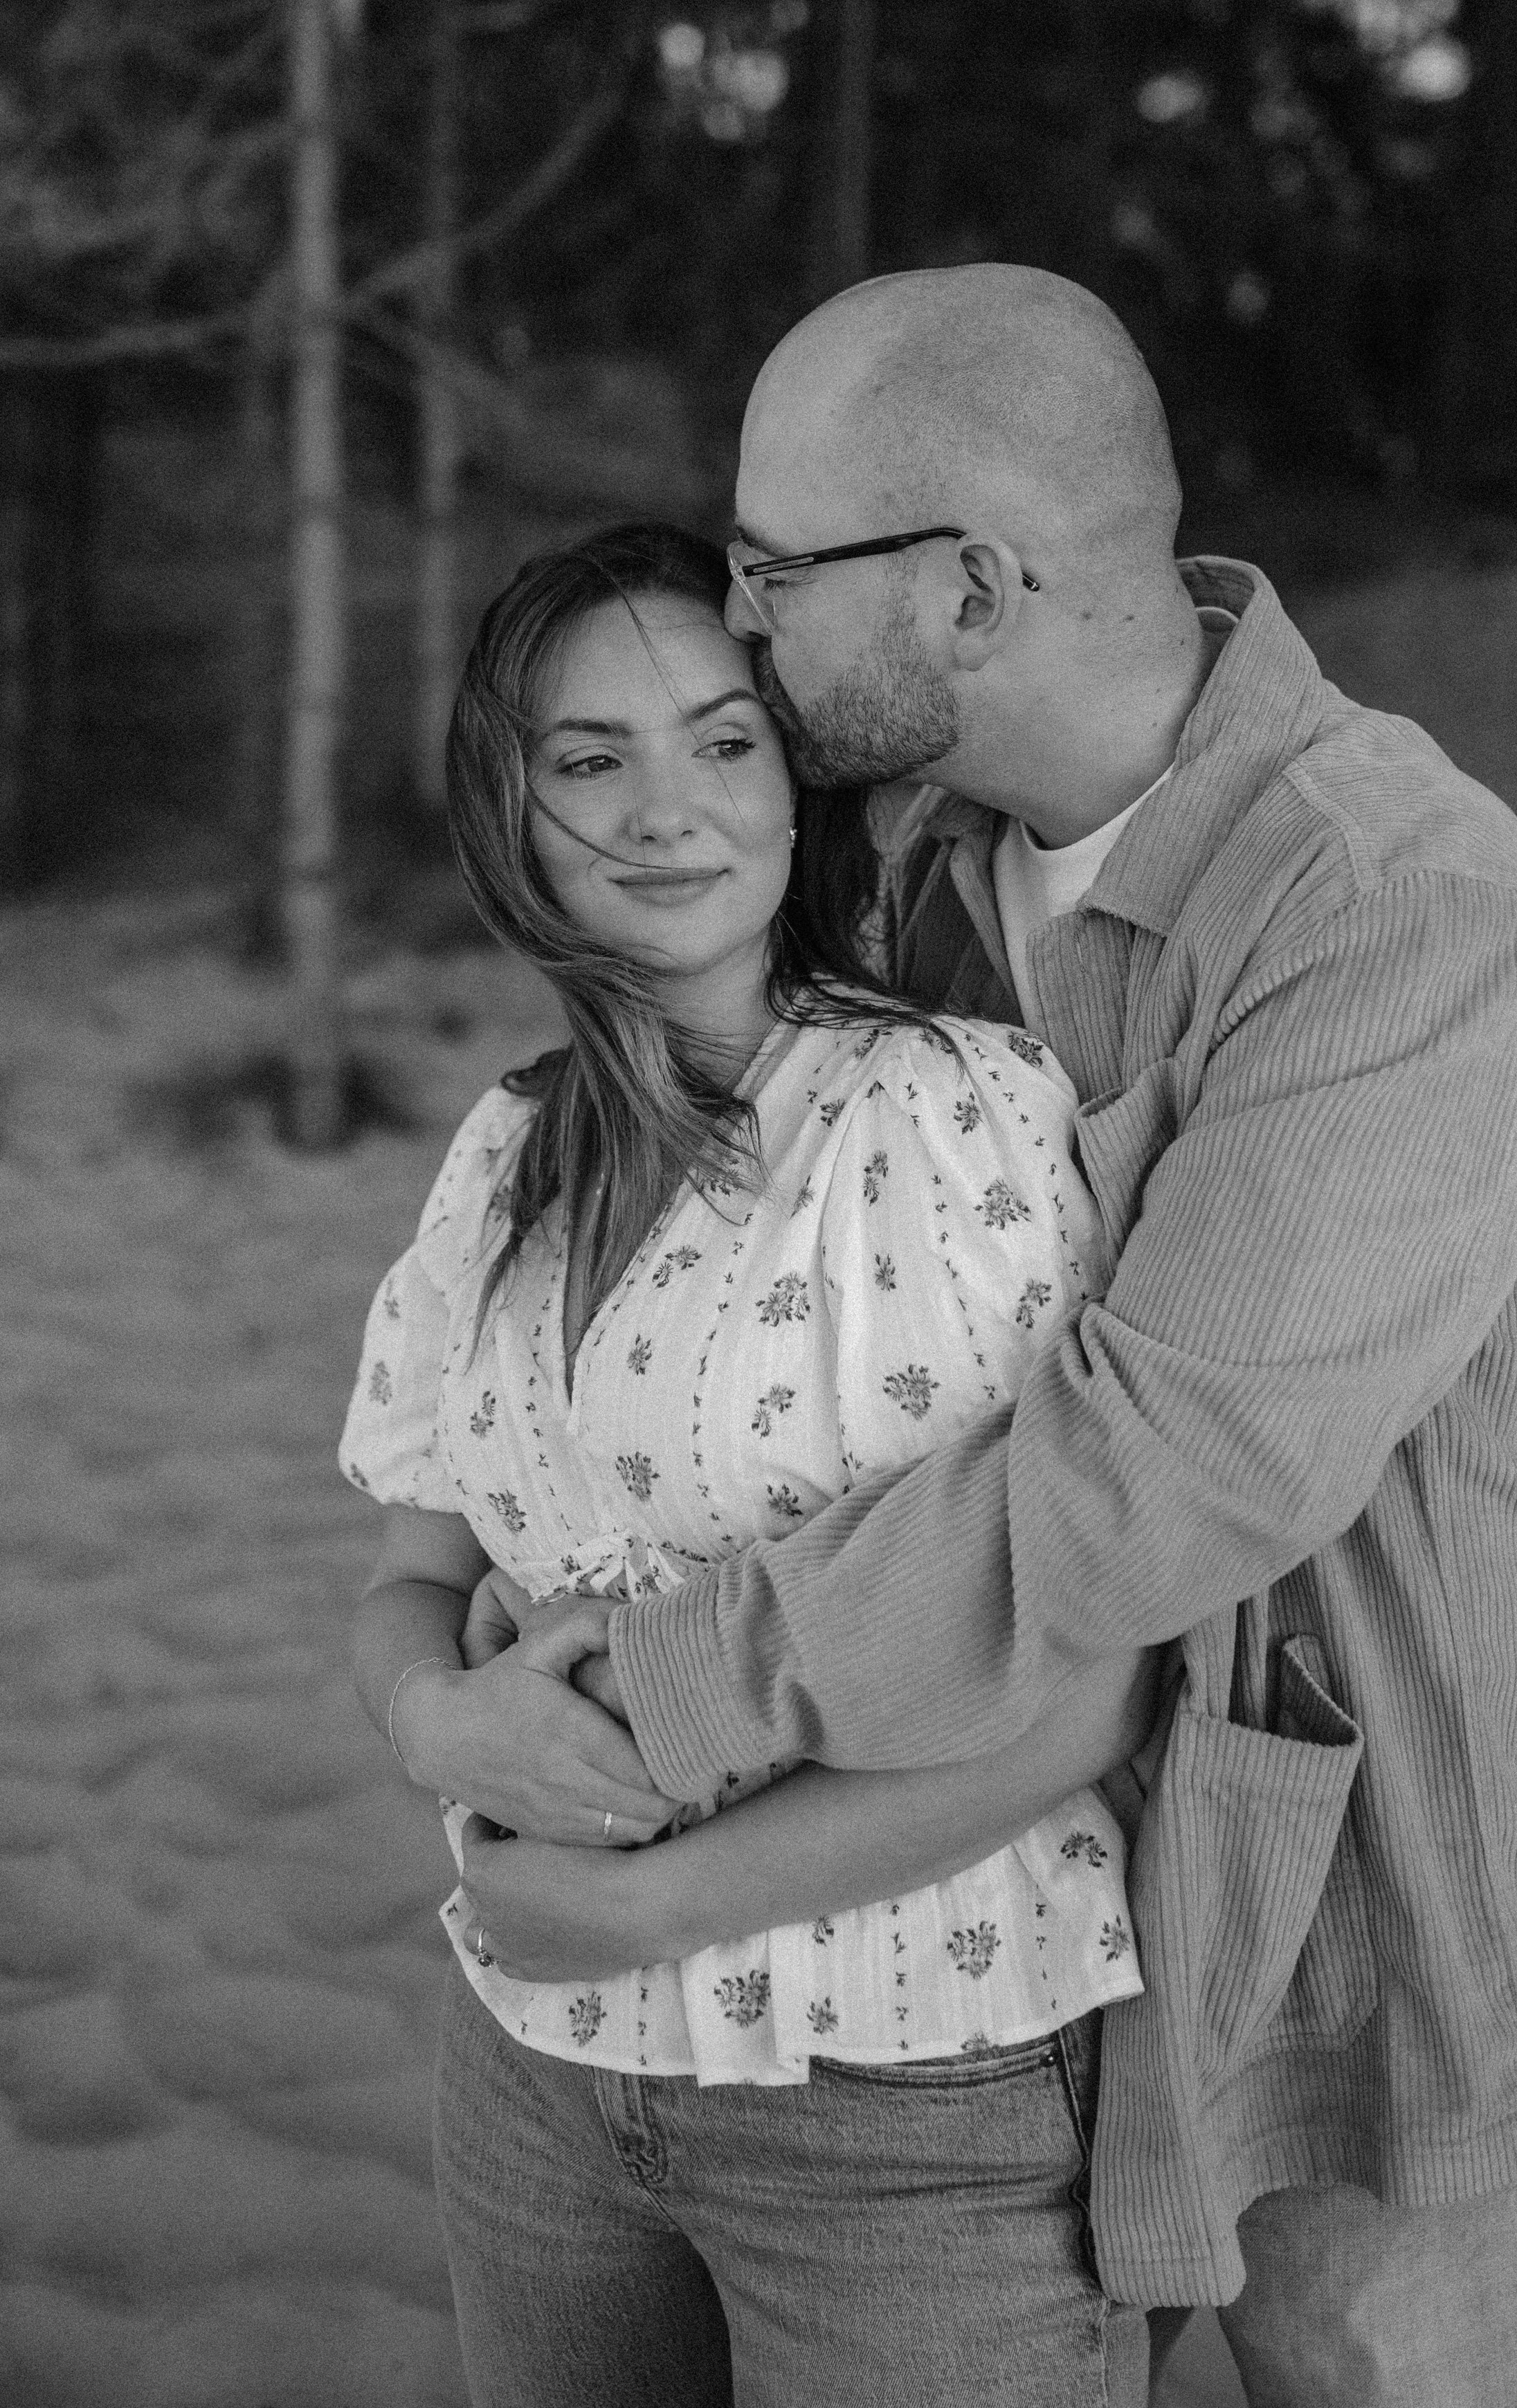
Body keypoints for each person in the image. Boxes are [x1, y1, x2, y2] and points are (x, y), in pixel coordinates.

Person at [461, 267, 1517, 2408]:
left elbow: (1151, 1475)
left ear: (976, 586)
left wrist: (638, 1704)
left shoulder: (1389, 900)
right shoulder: (913, 860)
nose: (740, 623)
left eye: (773, 571)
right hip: (1032, 1965)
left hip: (1369, 1979)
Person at [340, 521, 1163, 2408]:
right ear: (509, 802)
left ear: (795, 788)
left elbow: (1091, 1681)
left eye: (720, 741)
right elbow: (407, 1568)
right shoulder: (503, 1150)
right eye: (587, 756)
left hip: (910, 2091)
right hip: (533, 2060)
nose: (662, 809)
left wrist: (649, 1902)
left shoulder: (946, 1112)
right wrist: (433, 1725)